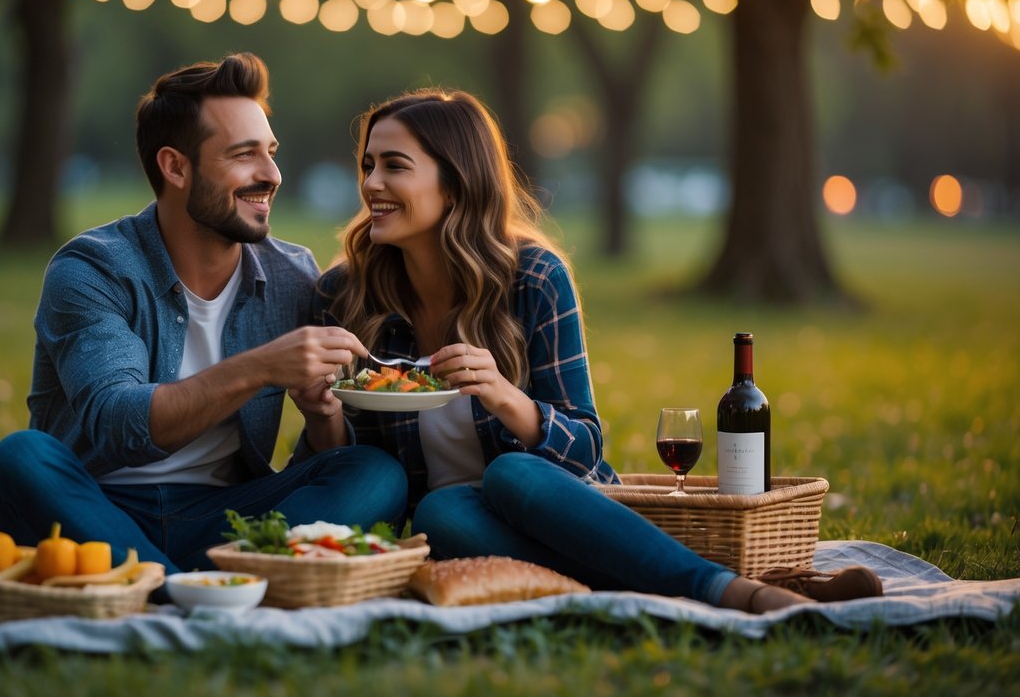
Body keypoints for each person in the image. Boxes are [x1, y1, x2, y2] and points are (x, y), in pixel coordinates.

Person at [310, 88, 814, 613]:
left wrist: (506, 398)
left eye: (395, 166)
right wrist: (319, 412)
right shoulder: (344, 295)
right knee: (440, 511)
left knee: (511, 473)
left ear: (455, 184)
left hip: (555, 506)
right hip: (461, 526)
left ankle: (729, 590)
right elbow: (348, 470)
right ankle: (655, 586)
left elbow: (585, 448)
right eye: (367, 165)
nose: (371, 184)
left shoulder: (534, 277)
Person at [0, 53, 407, 574]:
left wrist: (324, 415)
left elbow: (320, 459)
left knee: (374, 472)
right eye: (244, 155)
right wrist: (259, 367)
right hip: (95, 509)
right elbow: (120, 425)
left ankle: (161, 582)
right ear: (175, 166)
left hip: (227, 518)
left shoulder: (293, 277)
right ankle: (211, 584)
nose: (271, 174)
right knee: (21, 459)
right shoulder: (92, 270)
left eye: (271, 153)